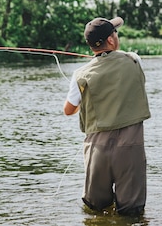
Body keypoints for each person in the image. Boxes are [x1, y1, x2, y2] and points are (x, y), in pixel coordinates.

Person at [63, 16, 151, 216]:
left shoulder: (80, 74)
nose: (116, 36)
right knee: (132, 213)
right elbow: (122, 59)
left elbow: (68, 110)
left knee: (96, 210)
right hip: (130, 148)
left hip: (97, 150)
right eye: (115, 32)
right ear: (111, 40)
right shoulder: (134, 60)